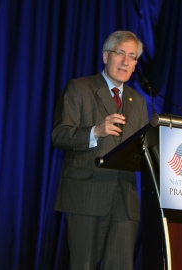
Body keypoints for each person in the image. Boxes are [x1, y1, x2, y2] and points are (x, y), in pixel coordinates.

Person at [51, 30, 148, 270]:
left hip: (124, 202)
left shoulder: (139, 101)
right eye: (120, 53)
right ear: (106, 57)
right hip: (86, 195)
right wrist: (96, 131)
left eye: (132, 57)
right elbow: (59, 135)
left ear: (136, 65)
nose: (126, 61)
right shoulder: (80, 88)